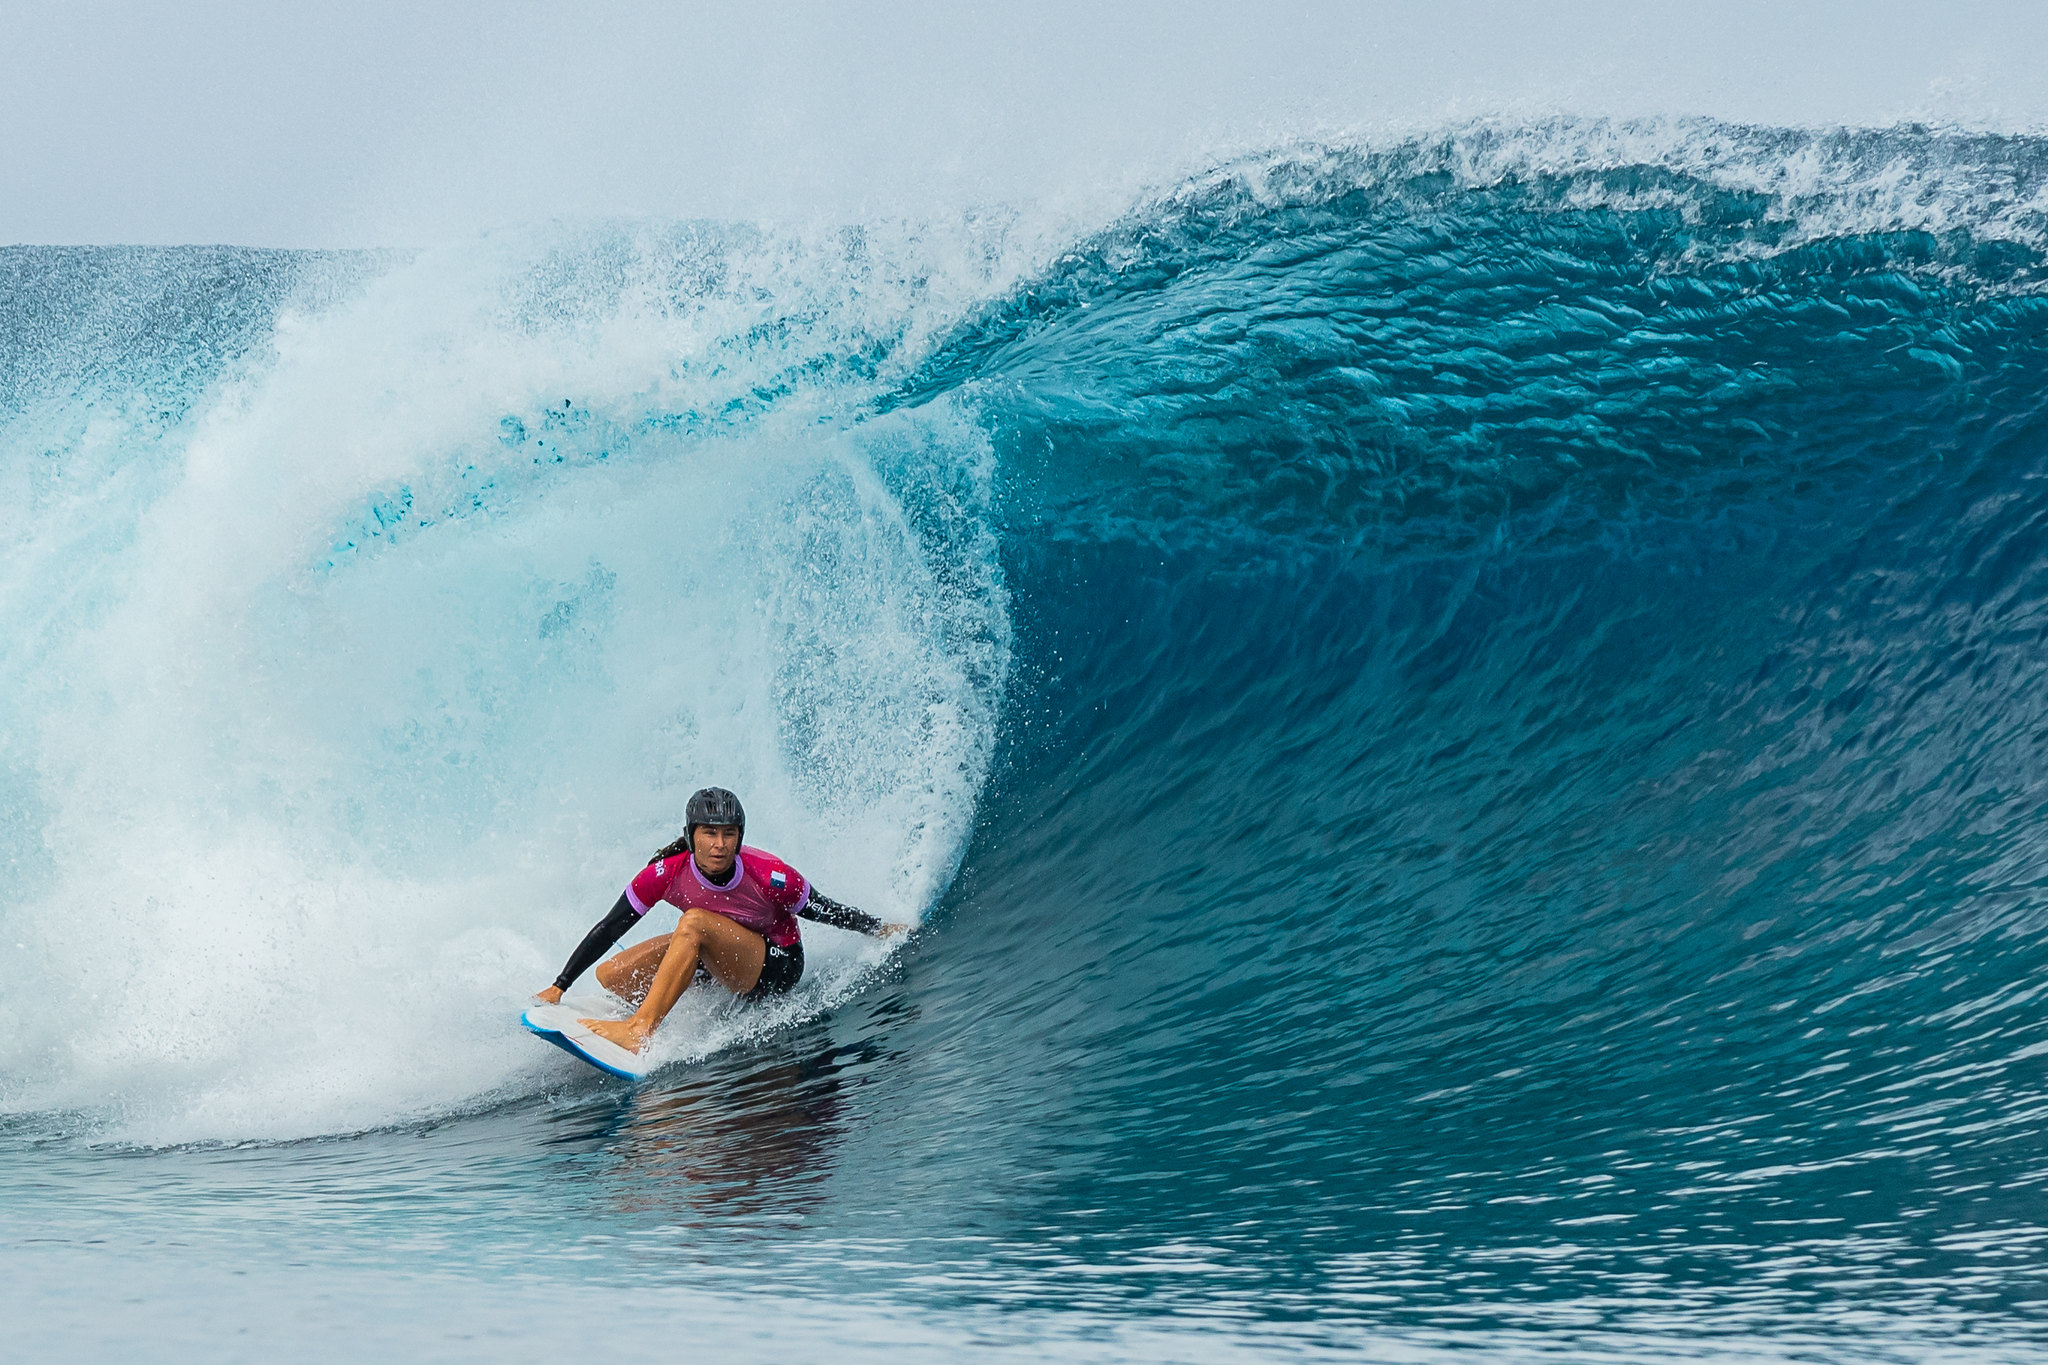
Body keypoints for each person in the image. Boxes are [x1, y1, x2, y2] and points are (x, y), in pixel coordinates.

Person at [533, 786, 906, 1053]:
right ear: (690, 835)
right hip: (719, 960)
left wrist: (880, 929)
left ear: (740, 838)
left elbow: (824, 909)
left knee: (693, 922)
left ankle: (639, 1028)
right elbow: (611, 926)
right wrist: (559, 985)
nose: (719, 844)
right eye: (709, 833)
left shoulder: (771, 876)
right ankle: (667, 999)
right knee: (612, 976)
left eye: (729, 835)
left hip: (776, 965)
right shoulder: (664, 874)